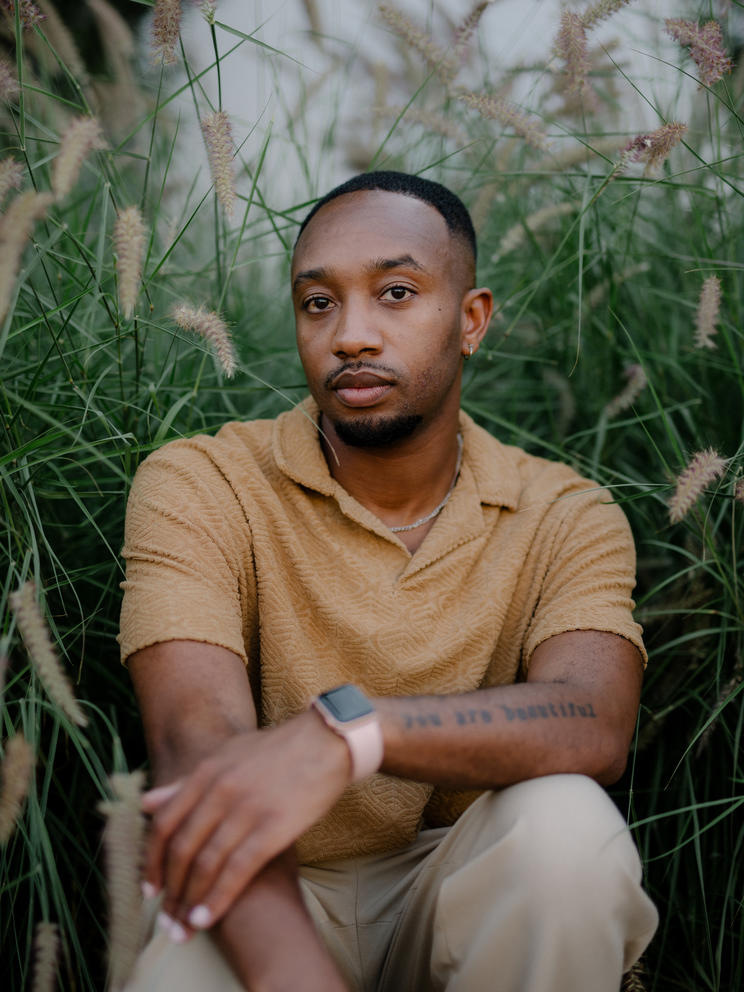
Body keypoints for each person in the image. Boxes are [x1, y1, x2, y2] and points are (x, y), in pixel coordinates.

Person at [118, 171, 658, 992]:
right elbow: (197, 750)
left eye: (397, 292)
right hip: (266, 878)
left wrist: (350, 734)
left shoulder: (566, 513)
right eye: (318, 303)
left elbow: (592, 720)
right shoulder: (201, 481)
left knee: (568, 831)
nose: (351, 336)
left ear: (471, 320)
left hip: (464, 884)